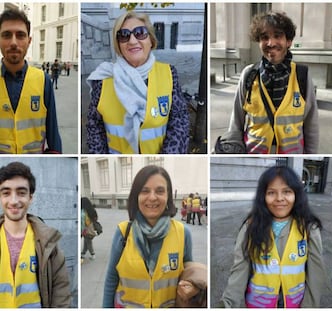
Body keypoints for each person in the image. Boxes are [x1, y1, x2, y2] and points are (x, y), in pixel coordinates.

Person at [220, 166, 325, 308]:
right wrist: (227, 304)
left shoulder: (309, 228)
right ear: (262, 196)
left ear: (297, 194)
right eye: (271, 193)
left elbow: (316, 274)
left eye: (287, 192)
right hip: (259, 304)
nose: (280, 199)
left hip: (295, 303)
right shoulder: (250, 227)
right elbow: (239, 270)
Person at [86, 11, 189, 154]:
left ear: (151, 40)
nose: (132, 41)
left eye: (140, 33)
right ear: (119, 45)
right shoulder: (103, 80)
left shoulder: (169, 73)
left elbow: (179, 122)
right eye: (124, 35)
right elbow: (94, 129)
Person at [222, 11, 319, 154]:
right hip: (254, 154)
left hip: (291, 154)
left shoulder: (302, 75)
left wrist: (312, 153)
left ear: (289, 41)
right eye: (264, 37)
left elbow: (311, 125)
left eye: (277, 36)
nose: (271, 43)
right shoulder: (249, 74)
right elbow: (236, 123)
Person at [103, 165, 194, 308]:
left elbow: (189, 277)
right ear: (136, 196)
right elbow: (111, 280)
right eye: (145, 191)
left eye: (159, 191)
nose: (152, 197)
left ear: (168, 195)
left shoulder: (183, 233)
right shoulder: (123, 232)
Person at [0, 161, 71, 307]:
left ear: (30, 198)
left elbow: (61, 296)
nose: (14, 201)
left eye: (21, 193)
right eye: (6, 193)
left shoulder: (48, 244)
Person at [0, 9, 62, 153]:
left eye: (20, 35)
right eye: (7, 35)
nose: (14, 42)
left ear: (29, 41)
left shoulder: (43, 80)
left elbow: (53, 135)